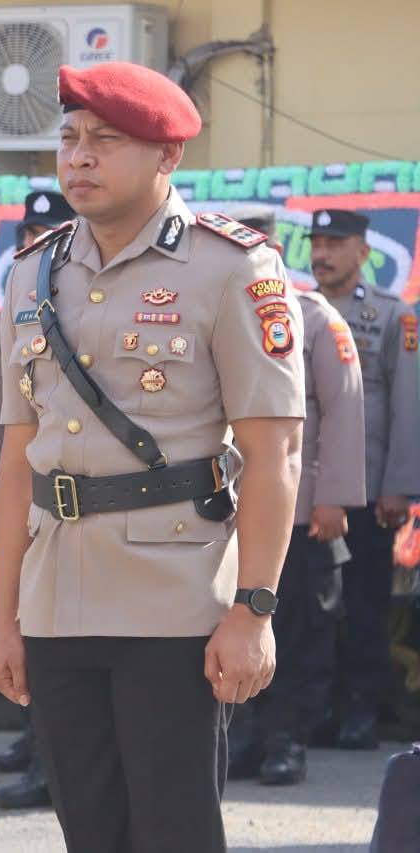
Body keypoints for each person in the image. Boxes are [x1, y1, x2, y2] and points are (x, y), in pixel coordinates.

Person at [0, 61, 305, 852]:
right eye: (68, 139)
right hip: (57, 593)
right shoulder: (34, 271)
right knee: (88, 828)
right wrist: (6, 620)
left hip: (177, 594)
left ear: (168, 158)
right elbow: (17, 452)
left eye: (106, 140)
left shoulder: (231, 268)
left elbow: (276, 452)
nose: (80, 157)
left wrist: (254, 608)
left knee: (174, 829)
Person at [223, 207, 365, 785]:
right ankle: (246, 738)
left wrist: (334, 497)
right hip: (228, 512)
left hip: (300, 512)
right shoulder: (210, 316)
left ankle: (288, 741)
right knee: (229, 627)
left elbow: (345, 410)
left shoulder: (313, 316)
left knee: (301, 630)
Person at [0, 190, 72, 810]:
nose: (33, 241)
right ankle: (34, 742)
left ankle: (48, 760)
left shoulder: (96, 313)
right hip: (21, 503)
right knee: (20, 628)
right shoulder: (8, 314)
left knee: (60, 637)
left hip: (73, 505)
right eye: (26, 230)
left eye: (47, 228)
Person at [308, 208, 420, 749]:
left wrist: (399, 485)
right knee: (310, 608)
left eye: (335, 242)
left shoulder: (394, 316)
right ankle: (316, 708)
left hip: (369, 493)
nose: (322, 253)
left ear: (363, 252)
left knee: (364, 605)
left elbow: (407, 405)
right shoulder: (292, 309)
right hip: (305, 492)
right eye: (317, 242)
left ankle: (361, 712)